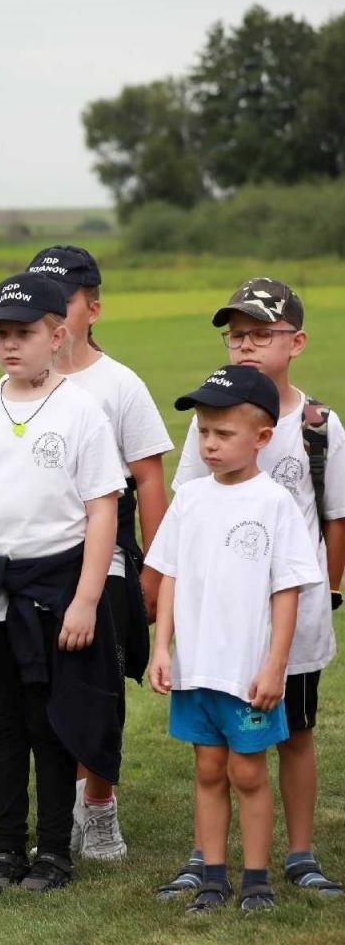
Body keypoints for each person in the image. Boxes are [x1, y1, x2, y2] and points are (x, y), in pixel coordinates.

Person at [0, 274, 125, 897]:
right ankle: (5, 850)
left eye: (25, 333)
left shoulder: (81, 411)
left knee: (53, 725)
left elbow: (103, 510)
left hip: (56, 588)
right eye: (2, 335)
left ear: (57, 334)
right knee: (5, 723)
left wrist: (87, 600)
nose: (11, 346)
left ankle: (53, 854)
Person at [159, 278, 345, 901]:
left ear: (295, 342)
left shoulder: (318, 425)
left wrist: (330, 596)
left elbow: (334, 520)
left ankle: (299, 854)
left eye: (260, 335)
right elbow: (186, 507)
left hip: (294, 612)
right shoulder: (215, 420)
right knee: (216, 747)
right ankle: (204, 857)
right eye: (236, 336)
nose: (245, 346)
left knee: (293, 729)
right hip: (220, 622)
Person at [146, 365, 321, 914]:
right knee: (207, 770)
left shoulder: (274, 504)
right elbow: (170, 575)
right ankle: (214, 878)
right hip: (196, 668)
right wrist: (160, 648)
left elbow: (287, 591)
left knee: (248, 771)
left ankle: (258, 881)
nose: (210, 445)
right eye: (203, 433)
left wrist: (275, 666)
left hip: (247, 672)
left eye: (223, 434)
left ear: (262, 437)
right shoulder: (191, 498)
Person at [29, 245, 172, 862]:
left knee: (101, 690)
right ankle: (57, 811)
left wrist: (156, 573)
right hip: (35, 563)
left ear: (92, 308)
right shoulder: (17, 385)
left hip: (107, 557)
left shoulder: (120, 385)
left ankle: (100, 808)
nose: (52, 314)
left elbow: (149, 481)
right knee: (42, 690)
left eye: (63, 301)